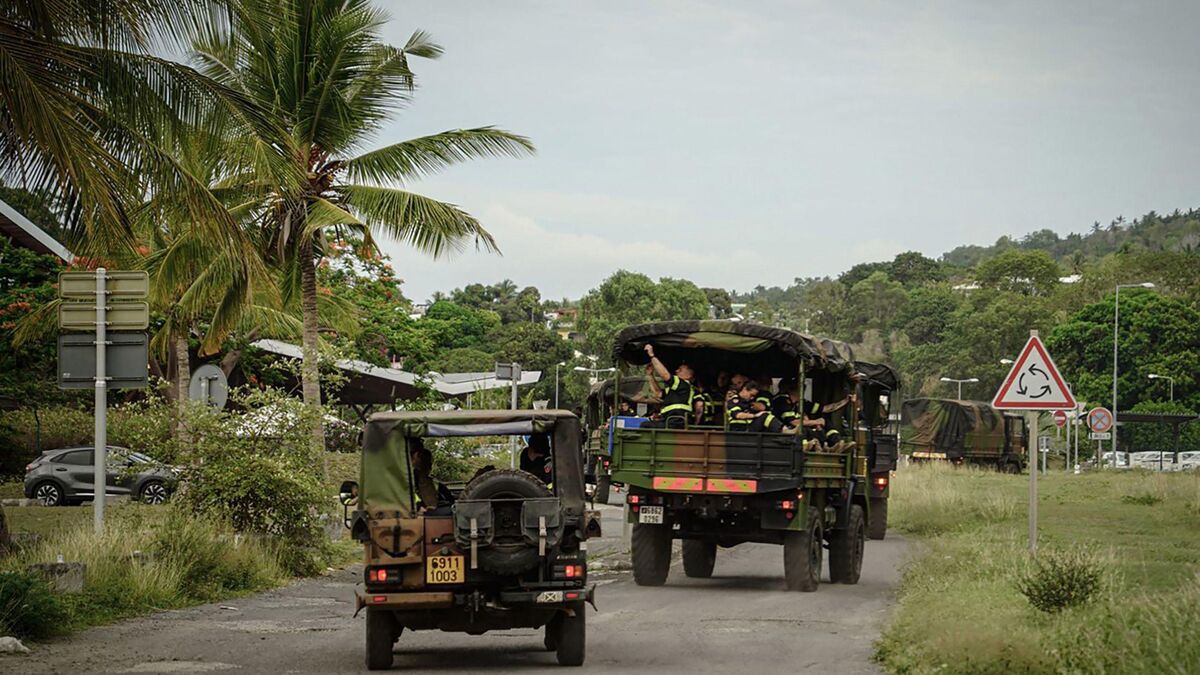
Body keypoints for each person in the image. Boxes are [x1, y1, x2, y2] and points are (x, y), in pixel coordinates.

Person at [644, 343, 695, 429]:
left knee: (645, 425)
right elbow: (658, 393)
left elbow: (665, 375)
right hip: (669, 420)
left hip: (676, 422)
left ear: (689, 375)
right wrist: (650, 375)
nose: (676, 371)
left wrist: (652, 356)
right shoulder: (675, 388)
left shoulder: (684, 385)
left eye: (680, 369)